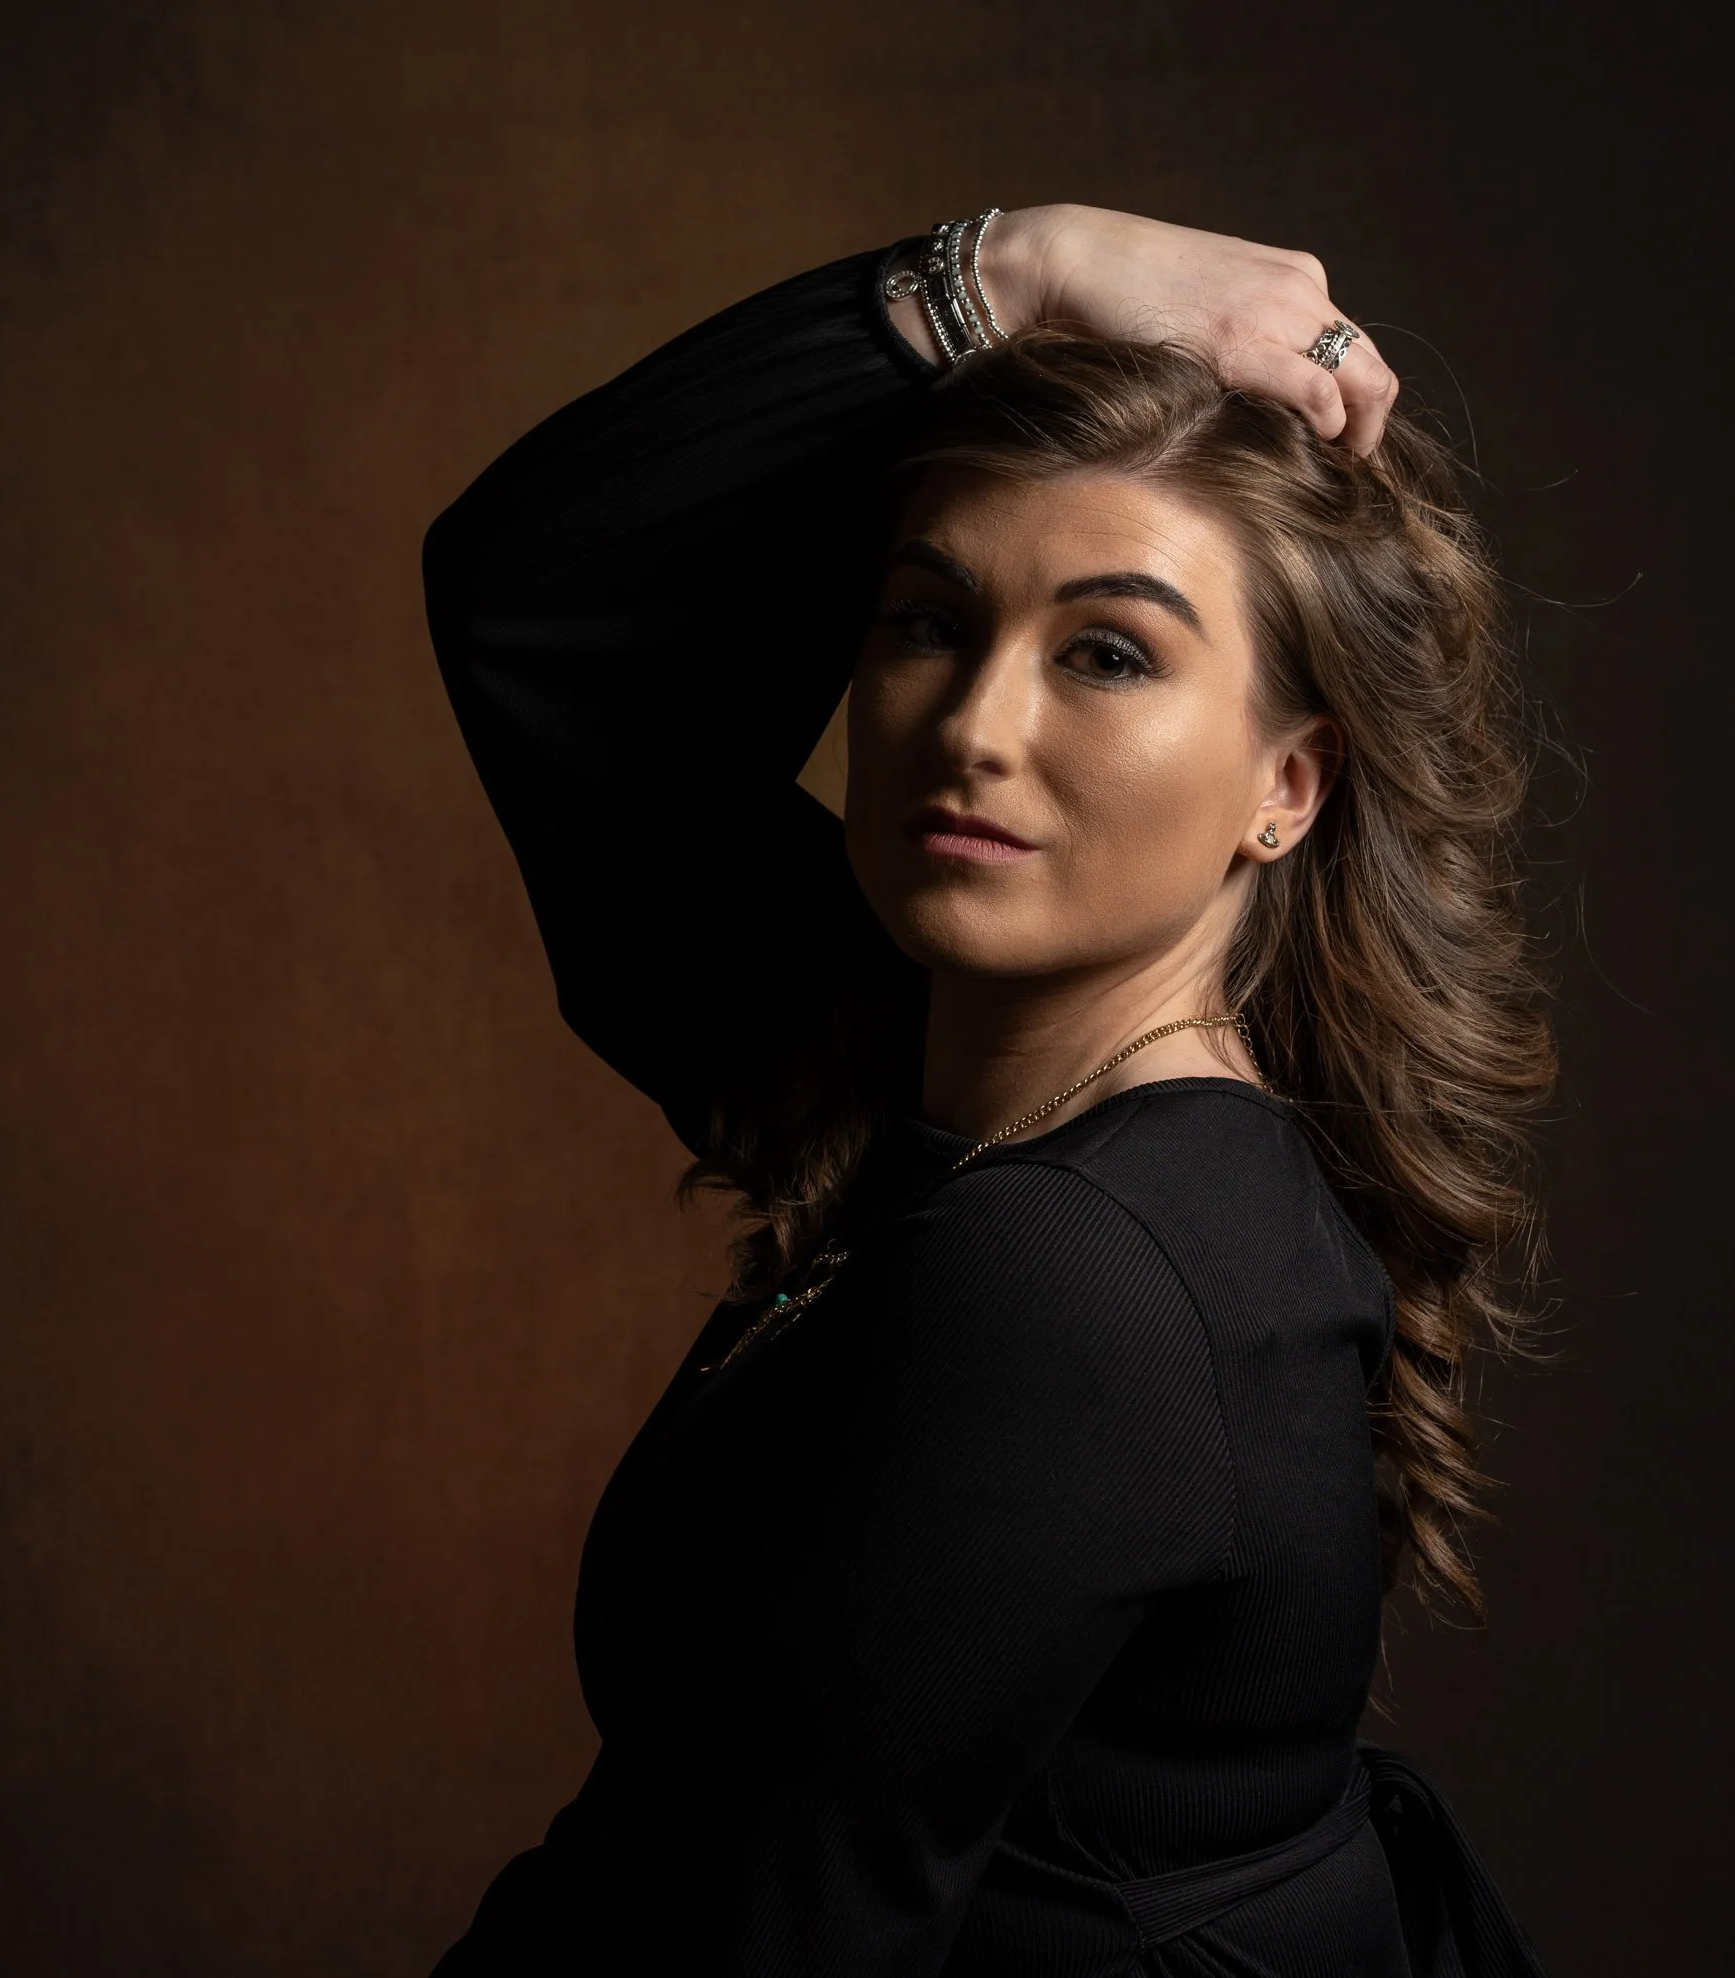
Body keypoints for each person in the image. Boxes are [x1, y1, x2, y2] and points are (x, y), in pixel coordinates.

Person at [420, 206, 1555, 1977]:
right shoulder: (927, 1071)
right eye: (930, 623)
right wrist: (1011, 272)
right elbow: (533, 600)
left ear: (1289, 783)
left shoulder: (1079, 1279)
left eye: (1107, 651)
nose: (973, 727)